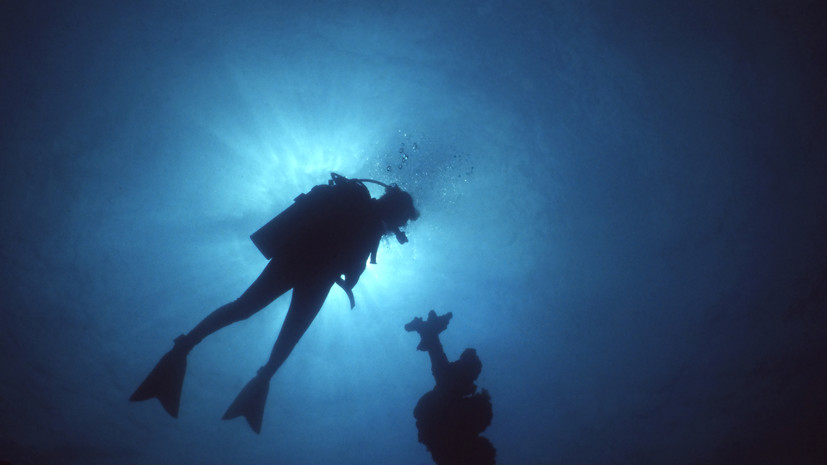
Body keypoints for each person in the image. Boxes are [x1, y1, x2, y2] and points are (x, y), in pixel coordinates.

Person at [131, 173, 419, 433]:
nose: (400, 226)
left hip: (299, 264)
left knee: (247, 311)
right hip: (310, 272)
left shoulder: (362, 211)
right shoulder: (362, 210)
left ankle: (186, 349)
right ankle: (252, 378)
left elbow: (351, 265)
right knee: (278, 328)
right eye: (402, 219)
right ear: (395, 208)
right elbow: (352, 268)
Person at [406, 311, 496, 465]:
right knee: (445, 379)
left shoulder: (450, 383)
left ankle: (428, 331)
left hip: (443, 425)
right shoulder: (450, 382)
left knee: (445, 378)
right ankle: (429, 331)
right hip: (442, 422)